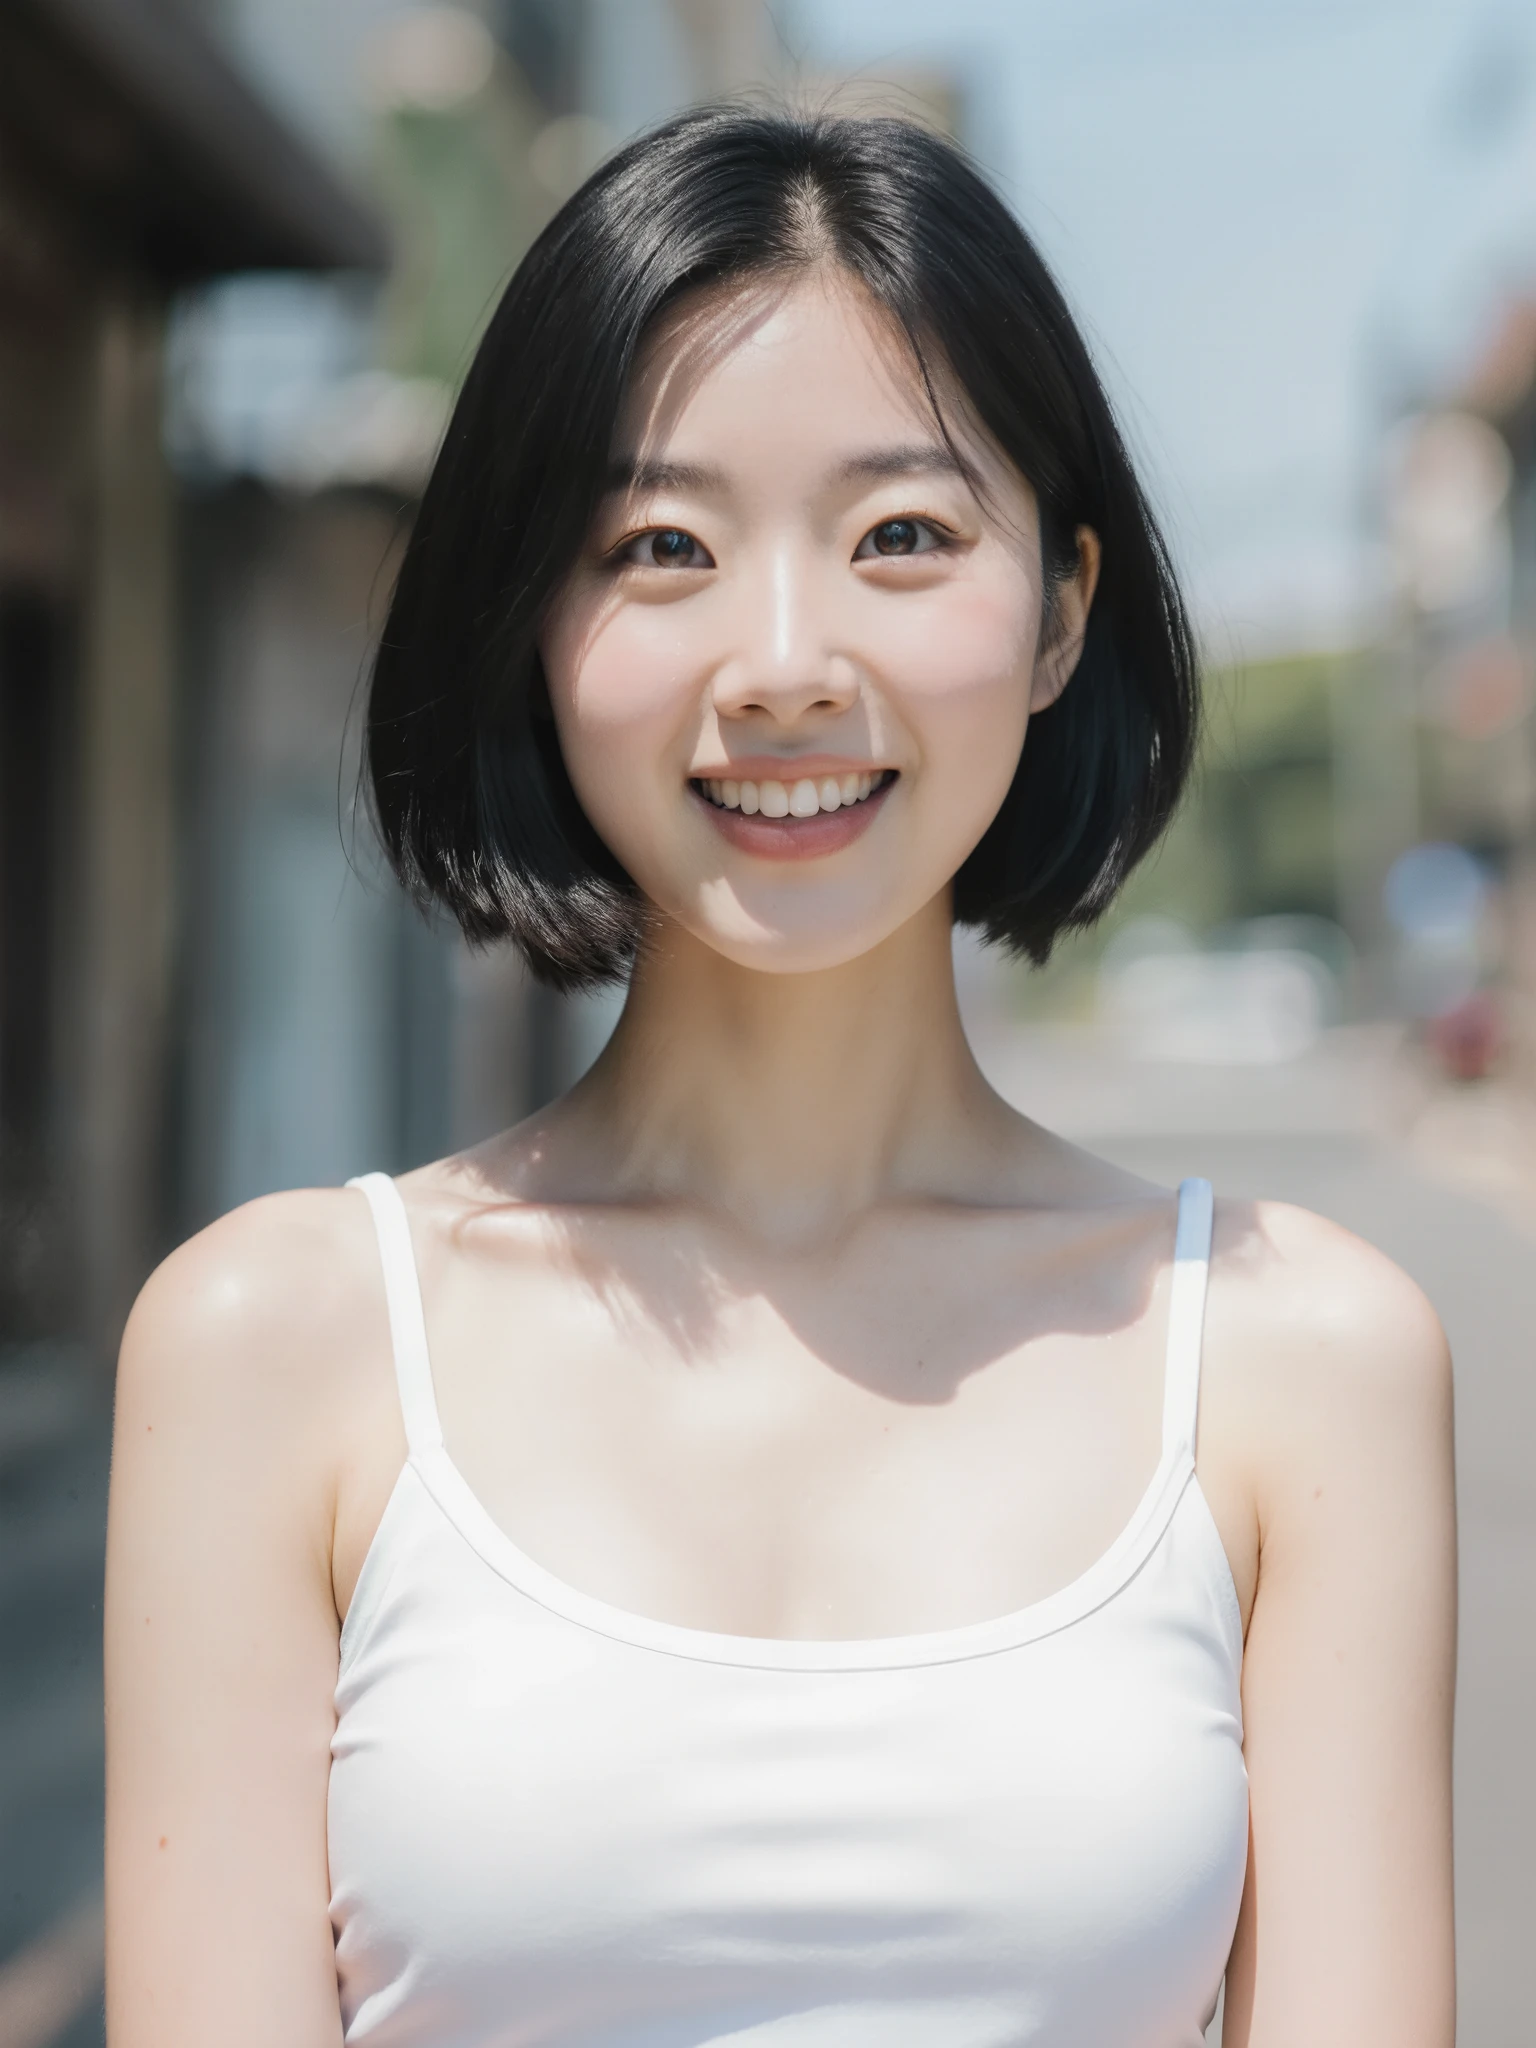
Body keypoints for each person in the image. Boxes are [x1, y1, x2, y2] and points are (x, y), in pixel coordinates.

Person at [104, 106, 1456, 2047]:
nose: (786, 659)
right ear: (532, 623)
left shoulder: (1301, 1357)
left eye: (903, 534)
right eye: (662, 547)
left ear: (1065, 605)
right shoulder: (268, 1348)